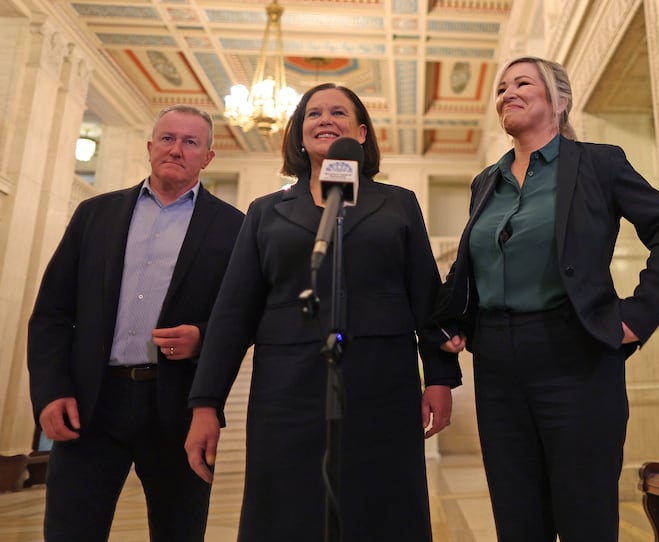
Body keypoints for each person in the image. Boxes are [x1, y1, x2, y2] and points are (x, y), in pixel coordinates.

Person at [184, 82, 462, 541]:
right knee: (289, 512)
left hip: (383, 386)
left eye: (338, 112)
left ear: (362, 133)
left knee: (382, 511)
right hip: (286, 390)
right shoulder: (265, 211)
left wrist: (439, 376)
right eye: (313, 114)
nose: (325, 120)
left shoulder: (399, 203)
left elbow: (425, 296)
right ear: (298, 132)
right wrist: (206, 403)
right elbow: (234, 313)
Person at [433, 57, 659, 541]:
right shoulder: (485, 181)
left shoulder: (599, 163)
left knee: (583, 513)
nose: (507, 92)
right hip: (496, 363)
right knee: (517, 516)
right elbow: (474, 263)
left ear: (560, 100)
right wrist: (458, 319)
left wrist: (637, 315)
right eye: (503, 87)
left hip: (576, 352)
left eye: (522, 83)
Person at [27, 105, 244, 542]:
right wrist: (51, 391)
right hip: (90, 404)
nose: (176, 150)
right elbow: (52, 312)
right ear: (150, 147)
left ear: (208, 157)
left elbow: (242, 317)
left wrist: (202, 338)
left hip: (178, 410)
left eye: (190, 142)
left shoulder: (234, 228)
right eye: (167, 139)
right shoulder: (94, 215)